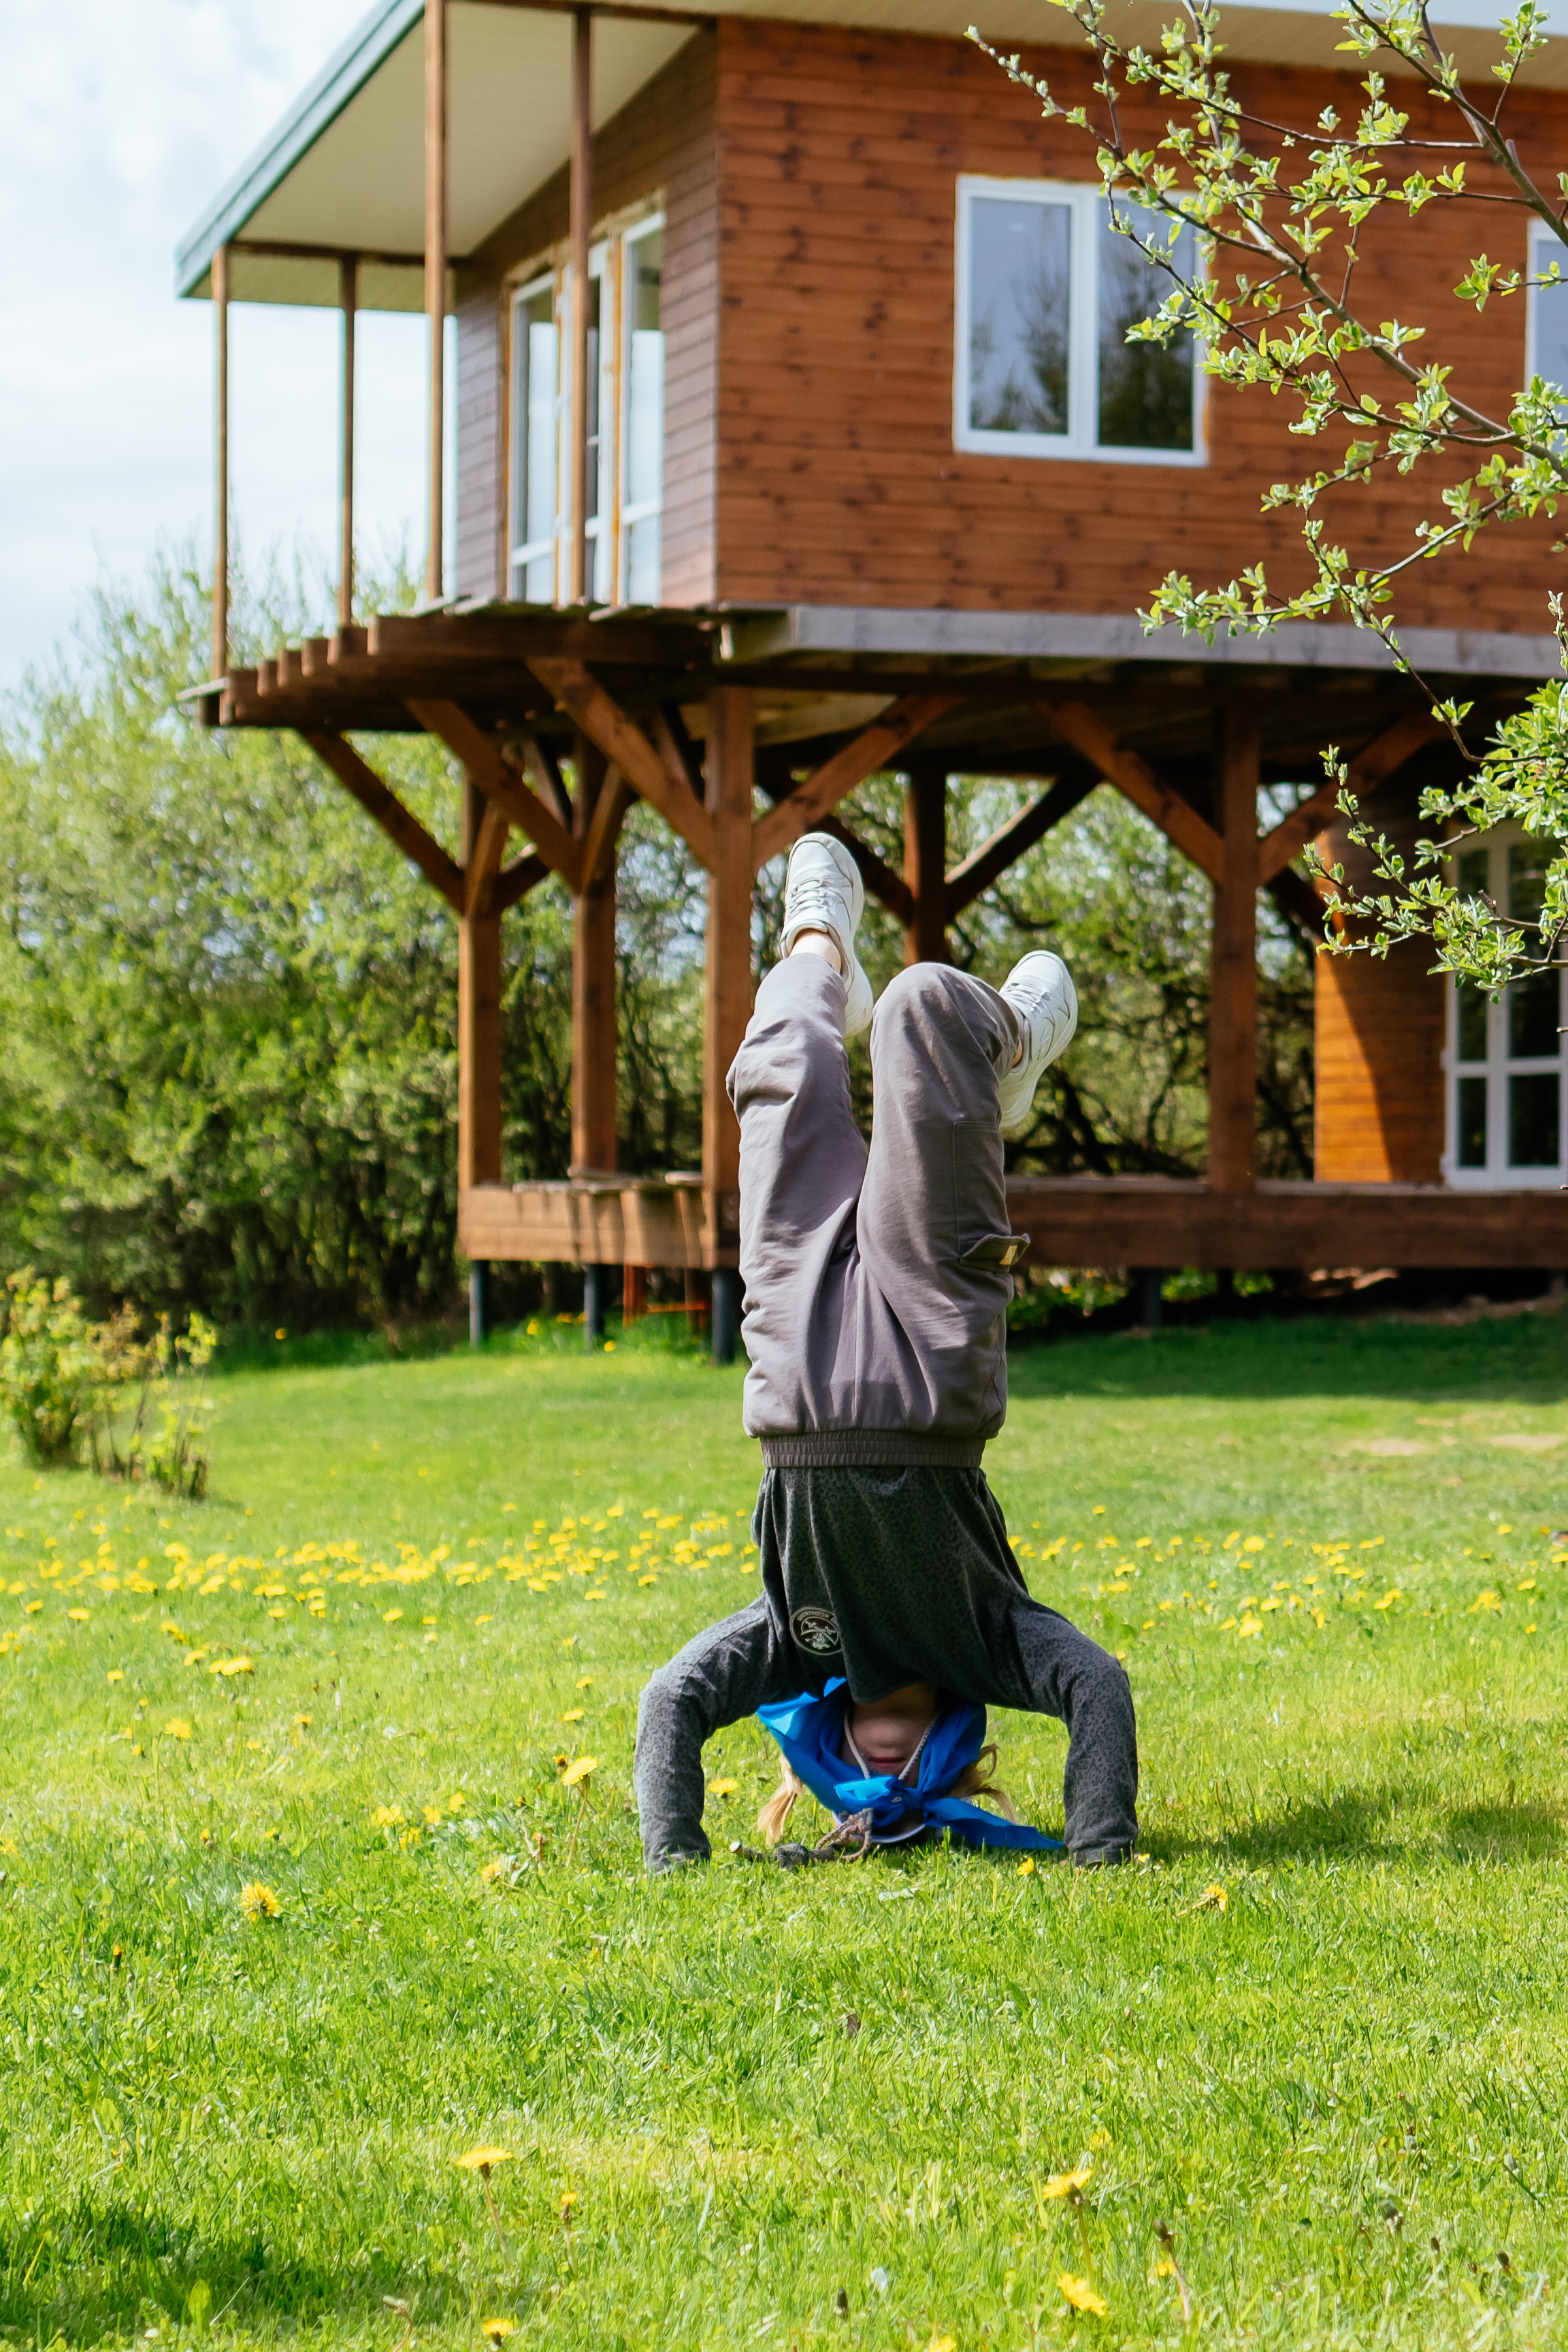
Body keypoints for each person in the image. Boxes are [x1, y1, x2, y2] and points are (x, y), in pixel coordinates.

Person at [633, 833, 1138, 1871]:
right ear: (954, 1753)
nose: (886, 1760)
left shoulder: (787, 1642)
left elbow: (671, 1699)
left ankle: (817, 945)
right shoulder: (990, 1643)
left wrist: (671, 1858)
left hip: (793, 1363)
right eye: (910, 1776)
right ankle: (1002, 1050)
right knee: (924, 1004)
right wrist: (1100, 1850)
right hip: (933, 1354)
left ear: (818, 1755)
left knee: (778, 1071)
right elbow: (1098, 1687)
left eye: (859, 1770)